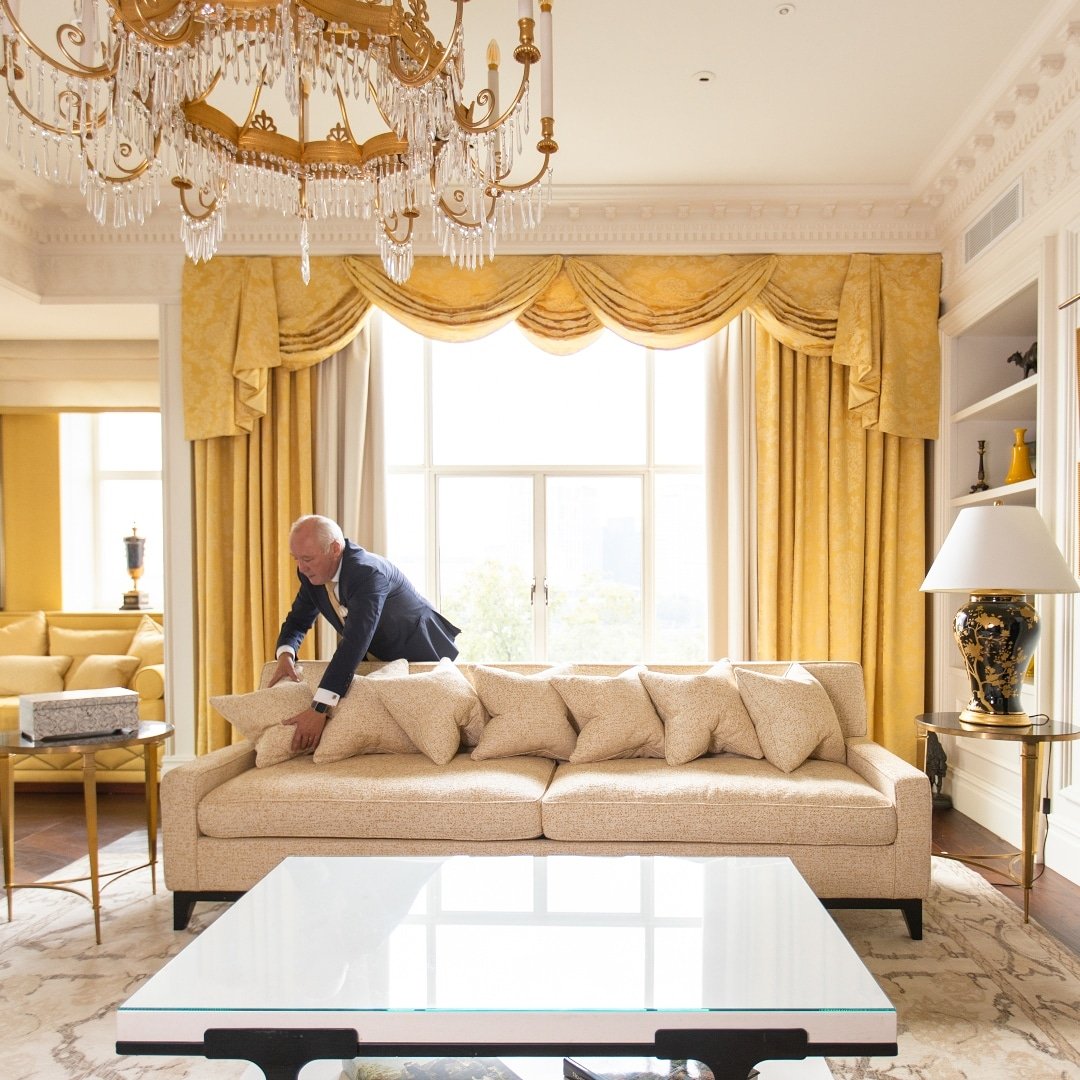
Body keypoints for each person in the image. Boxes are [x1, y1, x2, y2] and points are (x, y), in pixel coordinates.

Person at [269, 515, 460, 752]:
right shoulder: (310, 573)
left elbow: (354, 640)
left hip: (422, 653)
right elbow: (298, 619)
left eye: (307, 558)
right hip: (379, 657)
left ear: (335, 549)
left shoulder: (367, 572)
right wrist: (286, 653)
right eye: (296, 559)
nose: (301, 567)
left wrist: (319, 708)